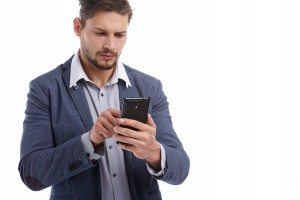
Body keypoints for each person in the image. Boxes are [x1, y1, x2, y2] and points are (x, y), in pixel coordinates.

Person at [18, 0, 190, 199]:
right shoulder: (45, 89)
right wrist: (91, 140)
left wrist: (153, 152)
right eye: (100, 33)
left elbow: (181, 170)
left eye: (119, 35)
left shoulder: (150, 87)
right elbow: (32, 174)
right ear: (78, 27)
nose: (111, 45)